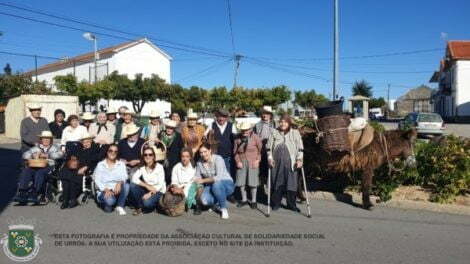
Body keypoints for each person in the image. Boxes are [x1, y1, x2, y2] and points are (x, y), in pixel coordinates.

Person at [267, 114, 304, 212]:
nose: (283, 124)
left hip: (291, 163)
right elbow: (268, 147)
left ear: (289, 123)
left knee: (291, 184)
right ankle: (276, 203)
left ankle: (291, 204)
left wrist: (299, 159)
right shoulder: (274, 132)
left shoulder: (295, 132)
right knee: (277, 182)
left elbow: (300, 148)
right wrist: (270, 158)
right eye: (281, 121)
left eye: (285, 122)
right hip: (277, 163)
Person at [15, 131, 63, 205]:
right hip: (35, 165)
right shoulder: (36, 148)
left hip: (49, 166)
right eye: (44, 138)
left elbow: (61, 154)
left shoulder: (55, 147)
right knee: (26, 171)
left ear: (51, 139)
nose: (46, 140)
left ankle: (36, 193)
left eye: (48, 139)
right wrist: (33, 155)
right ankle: (22, 192)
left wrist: (48, 155)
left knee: (40, 172)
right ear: (41, 139)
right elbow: (25, 155)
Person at [194, 143, 235, 219]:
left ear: (210, 150)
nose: (203, 154)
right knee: (204, 200)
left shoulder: (218, 159)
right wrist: (196, 181)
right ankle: (218, 201)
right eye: (201, 152)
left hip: (226, 184)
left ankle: (223, 208)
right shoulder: (199, 162)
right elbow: (197, 177)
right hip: (211, 185)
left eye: (205, 151)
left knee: (216, 184)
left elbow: (218, 177)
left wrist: (202, 180)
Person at [129, 146, 166, 215]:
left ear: (153, 157)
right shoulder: (142, 167)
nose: (147, 156)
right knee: (132, 185)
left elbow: (160, 185)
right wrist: (146, 186)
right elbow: (134, 178)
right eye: (145, 155)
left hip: (158, 191)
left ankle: (152, 206)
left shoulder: (159, 167)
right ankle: (140, 207)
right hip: (147, 189)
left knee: (147, 203)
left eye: (150, 154)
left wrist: (150, 193)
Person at [93, 144, 129, 215]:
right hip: (104, 189)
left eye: (115, 151)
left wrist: (119, 182)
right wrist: (106, 189)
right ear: (107, 152)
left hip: (116, 189)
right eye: (110, 151)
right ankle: (106, 202)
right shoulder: (100, 164)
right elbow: (97, 179)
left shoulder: (121, 164)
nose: (113, 153)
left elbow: (125, 176)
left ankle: (120, 206)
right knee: (110, 202)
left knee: (126, 185)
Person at [233, 122, 262, 209]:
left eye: (246, 130)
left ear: (250, 129)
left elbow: (260, 151)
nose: (244, 131)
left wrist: (258, 160)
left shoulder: (255, 137)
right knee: (241, 182)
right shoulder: (237, 138)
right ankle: (244, 200)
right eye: (243, 130)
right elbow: (235, 152)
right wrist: (238, 161)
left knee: (253, 182)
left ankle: (253, 201)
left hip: (253, 162)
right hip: (242, 162)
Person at [204, 108, 237, 174]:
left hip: (228, 157)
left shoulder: (231, 125)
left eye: (224, 116)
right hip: (215, 157)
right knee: (216, 174)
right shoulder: (211, 125)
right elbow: (204, 137)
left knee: (228, 175)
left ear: (227, 117)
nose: (221, 119)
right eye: (219, 116)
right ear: (216, 116)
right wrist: (209, 135)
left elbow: (236, 140)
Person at [254, 106, 276, 194]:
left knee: (272, 170)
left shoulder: (275, 124)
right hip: (261, 150)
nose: (264, 115)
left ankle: (272, 191)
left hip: (273, 150)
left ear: (270, 115)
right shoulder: (257, 125)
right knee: (262, 170)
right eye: (263, 113)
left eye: (267, 113)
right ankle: (261, 190)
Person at [159, 120, 184, 185]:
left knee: (171, 175)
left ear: (174, 129)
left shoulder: (178, 136)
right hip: (162, 158)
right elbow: (158, 146)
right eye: (168, 127)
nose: (169, 129)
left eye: (171, 128)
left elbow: (181, 148)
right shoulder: (161, 134)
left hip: (174, 159)